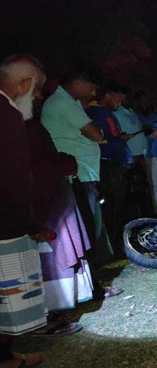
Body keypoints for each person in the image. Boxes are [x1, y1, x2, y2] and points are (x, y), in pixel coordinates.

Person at [0, 54, 53, 367]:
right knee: (7, 298)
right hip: (5, 224)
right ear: (22, 83)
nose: (37, 98)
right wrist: (30, 223)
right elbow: (13, 177)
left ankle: (5, 356)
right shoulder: (6, 115)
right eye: (35, 90)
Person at [26, 85, 89, 333]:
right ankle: (41, 317)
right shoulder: (20, 126)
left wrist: (63, 162)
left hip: (51, 194)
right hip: (37, 202)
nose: (39, 97)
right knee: (39, 258)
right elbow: (34, 166)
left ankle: (56, 307)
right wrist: (63, 164)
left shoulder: (30, 125)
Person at [41, 72, 112, 264]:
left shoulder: (69, 103)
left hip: (81, 172)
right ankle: (92, 274)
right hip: (77, 175)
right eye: (93, 86)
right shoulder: (63, 103)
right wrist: (100, 131)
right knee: (86, 227)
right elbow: (96, 134)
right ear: (79, 82)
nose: (94, 91)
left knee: (90, 224)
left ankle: (94, 273)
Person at [85, 83, 132, 252]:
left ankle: (116, 241)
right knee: (111, 206)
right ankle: (112, 245)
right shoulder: (95, 113)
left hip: (115, 164)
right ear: (108, 95)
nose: (120, 103)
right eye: (118, 99)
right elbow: (98, 137)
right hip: (108, 165)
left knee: (117, 206)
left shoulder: (106, 114)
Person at [113, 86, 152, 217]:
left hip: (139, 154)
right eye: (124, 97)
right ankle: (135, 218)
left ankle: (144, 217)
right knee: (132, 191)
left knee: (142, 189)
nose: (126, 99)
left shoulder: (130, 112)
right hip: (130, 156)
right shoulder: (116, 113)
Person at [134, 92, 157, 215]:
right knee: (148, 184)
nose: (145, 104)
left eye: (146, 101)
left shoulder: (152, 116)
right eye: (143, 101)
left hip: (153, 154)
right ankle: (152, 210)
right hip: (141, 155)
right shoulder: (135, 116)